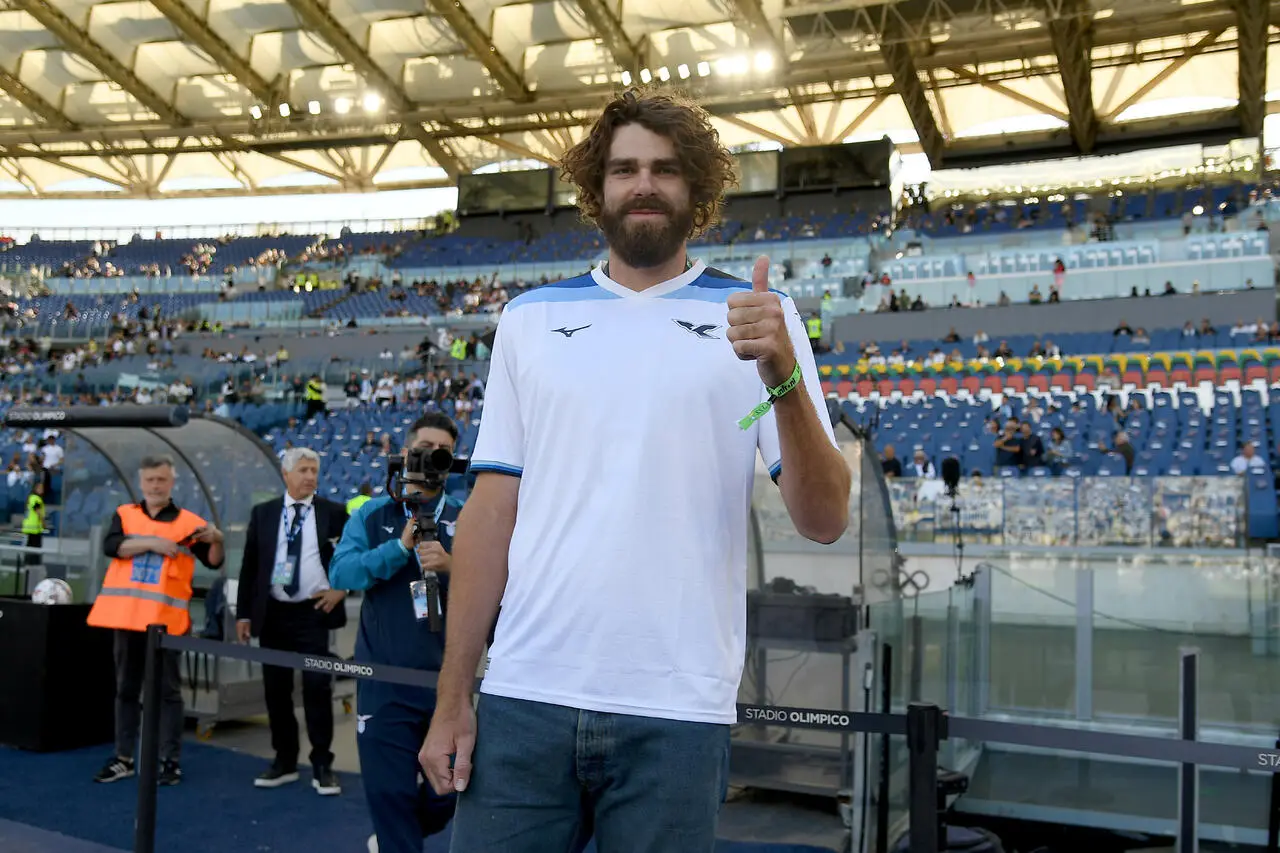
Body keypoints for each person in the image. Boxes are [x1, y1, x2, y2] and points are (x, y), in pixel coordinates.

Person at [419, 88, 851, 852]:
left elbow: (824, 519)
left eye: (665, 169)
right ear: (598, 188)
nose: (643, 184)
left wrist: (781, 372)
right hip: (526, 692)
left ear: (697, 189)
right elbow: (491, 513)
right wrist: (455, 692)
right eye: (624, 169)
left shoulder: (760, 317)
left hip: (677, 708)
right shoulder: (530, 319)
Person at [330, 413, 466, 853]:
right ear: (404, 453)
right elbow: (342, 572)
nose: (430, 460)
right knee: (389, 795)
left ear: (451, 462)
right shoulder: (372, 514)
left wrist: (454, 567)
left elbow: (504, 587)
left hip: (447, 683)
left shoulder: (469, 522)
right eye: (423, 448)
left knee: (450, 789)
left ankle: (400, 836)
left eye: (440, 452)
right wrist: (398, 549)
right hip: (382, 681)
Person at [89, 455, 225, 786]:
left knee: (167, 693)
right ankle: (123, 757)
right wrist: (152, 543)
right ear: (141, 481)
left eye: (161, 480)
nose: (155, 485)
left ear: (171, 482)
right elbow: (111, 546)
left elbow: (211, 561)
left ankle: (170, 761)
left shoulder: (187, 521)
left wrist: (218, 538)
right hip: (127, 618)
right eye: (150, 480)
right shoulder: (125, 514)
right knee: (126, 689)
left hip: (166, 622)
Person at [236, 447, 350, 795]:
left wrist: (341, 589)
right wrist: (244, 613)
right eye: (303, 470)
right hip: (273, 614)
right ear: (286, 475)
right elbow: (250, 567)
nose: (310, 477)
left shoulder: (333, 512)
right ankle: (284, 760)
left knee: (317, 688)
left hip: (313, 613)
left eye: (314, 470)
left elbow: (353, 554)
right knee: (276, 690)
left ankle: (322, 765)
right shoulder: (265, 513)